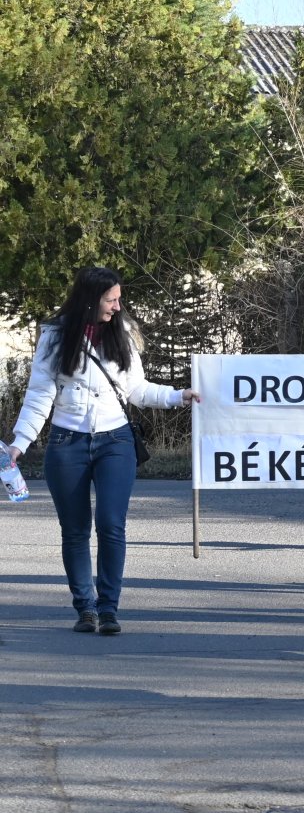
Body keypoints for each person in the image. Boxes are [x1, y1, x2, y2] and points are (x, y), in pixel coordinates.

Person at [6, 266, 199, 635]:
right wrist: (20, 442)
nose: (117, 305)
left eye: (118, 298)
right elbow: (40, 394)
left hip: (115, 441)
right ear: (90, 299)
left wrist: (178, 396)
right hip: (67, 442)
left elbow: (137, 389)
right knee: (75, 530)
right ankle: (86, 608)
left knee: (111, 524)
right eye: (111, 299)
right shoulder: (55, 335)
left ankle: (109, 608)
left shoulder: (122, 331)